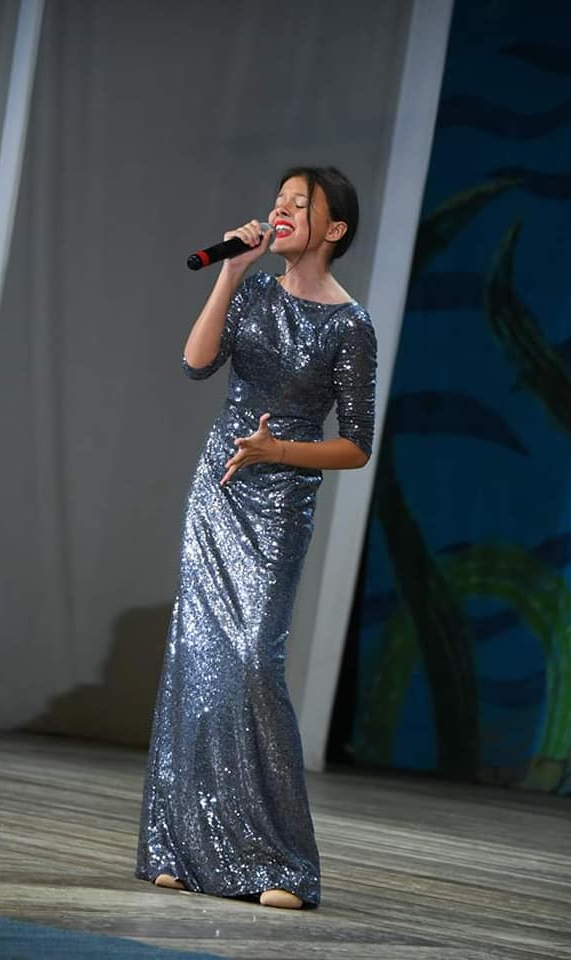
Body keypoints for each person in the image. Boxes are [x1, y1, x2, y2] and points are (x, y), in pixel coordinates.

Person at [136, 165, 377, 910]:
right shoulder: (254, 291)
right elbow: (195, 363)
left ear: (333, 229)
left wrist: (279, 451)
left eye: (299, 205)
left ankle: (280, 863)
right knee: (197, 658)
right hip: (220, 486)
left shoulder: (350, 325)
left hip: (278, 499)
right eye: (278, 202)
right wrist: (232, 272)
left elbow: (356, 445)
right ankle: (179, 847)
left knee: (250, 663)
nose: (281, 211)